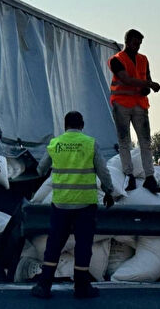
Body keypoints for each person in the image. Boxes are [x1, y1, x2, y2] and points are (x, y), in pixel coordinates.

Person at [32, 111, 116, 299]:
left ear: (65, 125)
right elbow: (103, 171)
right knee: (83, 245)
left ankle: (44, 286)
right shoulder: (90, 143)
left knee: (54, 245)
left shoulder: (55, 144)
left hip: (61, 204)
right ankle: (81, 287)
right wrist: (109, 191)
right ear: (82, 125)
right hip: (85, 205)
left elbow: (41, 169)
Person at [108, 29, 160, 193]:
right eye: (135, 43)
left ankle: (150, 177)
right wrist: (148, 85)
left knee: (145, 142)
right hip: (122, 104)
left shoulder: (143, 59)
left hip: (140, 104)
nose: (137, 47)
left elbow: (147, 79)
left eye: (139, 44)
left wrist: (148, 87)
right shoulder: (116, 60)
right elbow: (125, 79)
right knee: (125, 141)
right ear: (127, 42)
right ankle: (129, 175)